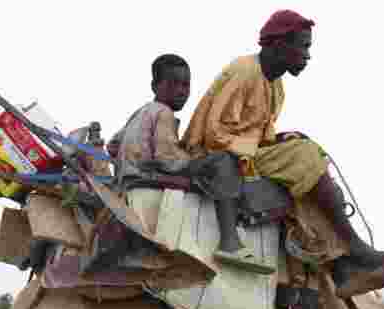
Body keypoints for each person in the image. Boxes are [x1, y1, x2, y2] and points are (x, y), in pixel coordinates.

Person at [182, 9, 384, 297]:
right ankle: (355, 248)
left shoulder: (276, 85)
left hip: (241, 153)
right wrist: (275, 149)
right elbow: (214, 133)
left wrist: (279, 141)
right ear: (280, 44)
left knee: (307, 161)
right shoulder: (245, 71)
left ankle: (340, 267)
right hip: (211, 154)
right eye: (303, 47)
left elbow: (256, 135)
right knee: (304, 158)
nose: (307, 56)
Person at [106, 54, 277, 274]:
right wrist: (196, 161)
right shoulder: (163, 113)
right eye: (173, 84)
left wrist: (132, 159)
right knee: (224, 161)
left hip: (130, 175)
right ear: (155, 86)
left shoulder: (141, 112)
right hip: (146, 178)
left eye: (186, 84)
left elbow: (112, 146)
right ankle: (230, 243)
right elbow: (168, 159)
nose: (181, 90)